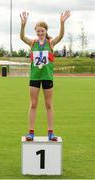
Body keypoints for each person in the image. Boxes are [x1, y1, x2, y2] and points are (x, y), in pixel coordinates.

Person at [20, 11, 70, 141]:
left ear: (45, 31)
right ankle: (30, 132)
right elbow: (22, 37)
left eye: (42, 31)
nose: (40, 33)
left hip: (47, 76)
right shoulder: (32, 43)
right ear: (36, 32)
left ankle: (50, 132)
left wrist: (62, 23)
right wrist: (23, 25)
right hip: (35, 77)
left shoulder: (50, 43)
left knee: (48, 104)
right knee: (33, 104)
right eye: (38, 31)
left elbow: (60, 36)